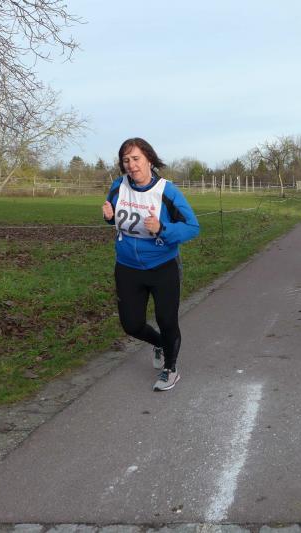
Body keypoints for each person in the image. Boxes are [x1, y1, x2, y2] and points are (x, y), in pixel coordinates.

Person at [102, 138, 200, 391]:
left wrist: (162, 228)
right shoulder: (118, 186)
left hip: (162, 266)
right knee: (131, 325)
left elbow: (192, 227)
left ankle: (171, 368)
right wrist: (108, 217)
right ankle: (159, 343)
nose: (131, 165)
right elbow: (115, 215)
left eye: (136, 159)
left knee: (167, 320)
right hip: (127, 267)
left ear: (149, 159)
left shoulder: (167, 191)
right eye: (126, 160)